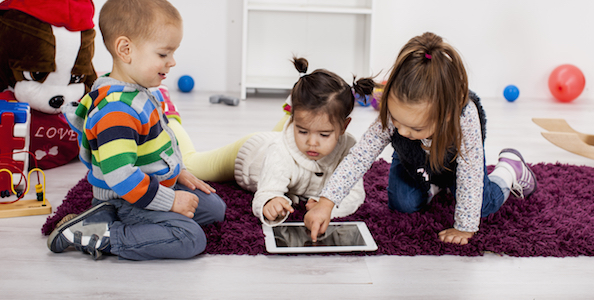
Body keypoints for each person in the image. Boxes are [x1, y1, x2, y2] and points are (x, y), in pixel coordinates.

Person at [304, 32, 538, 245]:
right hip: (414, 162)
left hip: (456, 166)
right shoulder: (394, 110)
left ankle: (510, 169)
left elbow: (470, 174)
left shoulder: (464, 116)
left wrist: (464, 228)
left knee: (482, 206)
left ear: (445, 115)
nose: (403, 132)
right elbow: (359, 157)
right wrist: (327, 202)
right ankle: (433, 185)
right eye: (398, 121)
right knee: (402, 204)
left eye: (415, 127)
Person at [47, 0, 226, 260]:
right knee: (190, 238)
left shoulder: (136, 91)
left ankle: (118, 220)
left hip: (152, 183)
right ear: (125, 49)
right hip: (126, 197)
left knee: (213, 208)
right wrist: (172, 201)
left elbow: (158, 143)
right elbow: (120, 176)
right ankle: (99, 233)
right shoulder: (116, 112)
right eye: (164, 54)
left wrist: (178, 172)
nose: (172, 62)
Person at [168, 57, 374, 226]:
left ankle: (293, 117)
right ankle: (168, 114)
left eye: (324, 135)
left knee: (288, 137)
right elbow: (266, 192)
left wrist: (327, 205)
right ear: (294, 122)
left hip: (279, 139)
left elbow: (354, 194)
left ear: (344, 127)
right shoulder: (280, 152)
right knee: (191, 163)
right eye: (303, 131)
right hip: (249, 154)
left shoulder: (349, 149)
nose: (312, 143)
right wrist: (271, 202)